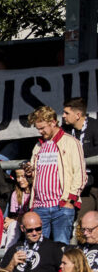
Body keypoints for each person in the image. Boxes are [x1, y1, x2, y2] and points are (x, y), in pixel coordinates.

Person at [28, 105, 85, 244]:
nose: (40, 132)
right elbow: (35, 175)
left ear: (53, 122)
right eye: (38, 129)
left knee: (61, 247)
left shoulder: (71, 142)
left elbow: (80, 174)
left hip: (61, 205)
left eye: (43, 128)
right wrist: (30, 173)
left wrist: (70, 200)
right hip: (40, 206)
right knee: (39, 250)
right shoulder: (38, 146)